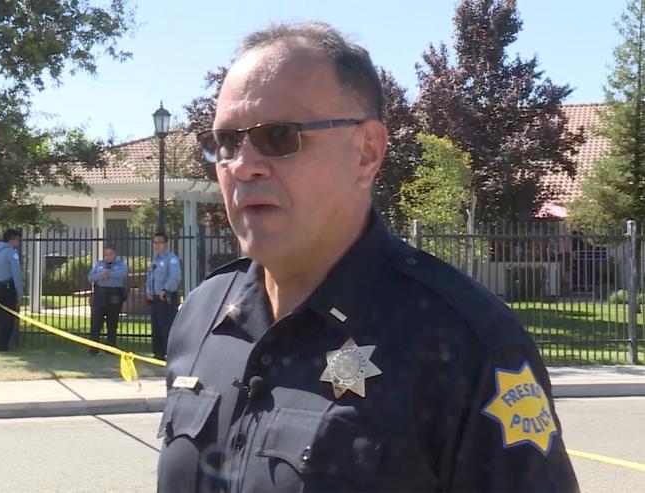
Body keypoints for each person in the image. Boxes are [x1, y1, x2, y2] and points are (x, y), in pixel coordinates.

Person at [156, 22, 579, 492]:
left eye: (279, 136)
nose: (243, 165)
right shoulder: (202, 316)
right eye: (228, 142)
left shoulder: (465, 344)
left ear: (367, 152)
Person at [0, 229, 23, 352]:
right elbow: (16, 275)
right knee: (8, 317)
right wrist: (20, 294)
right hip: (7, 287)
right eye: (17, 240)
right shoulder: (12, 253)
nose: (18, 243)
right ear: (12, 239)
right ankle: (3, 345)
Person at [87, 245, 129, 355]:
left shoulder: (121, 264)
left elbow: (123, 273)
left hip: (114, 295)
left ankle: (110, 348)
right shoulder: (99, 264)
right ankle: (93, 349)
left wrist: (108, 274)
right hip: (100, 294)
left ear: (115, 254)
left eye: (110, 254)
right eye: (106, 254)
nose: (108, 257)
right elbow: (91, 277)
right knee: (96, 322)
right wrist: (101, 274)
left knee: (112, 322)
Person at [146, 232, 181, 360]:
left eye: (160, 242)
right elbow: (150, 276)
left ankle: (170, 353)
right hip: (155, 299)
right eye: (155, 242)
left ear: (165, 244)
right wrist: (148, 289)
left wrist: (165, 289)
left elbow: (175, 277)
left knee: (167, 326)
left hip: (166, 298)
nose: (157, 245)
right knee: (156, 326)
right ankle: (158, 352)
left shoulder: (171, 259)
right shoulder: (155, 259)